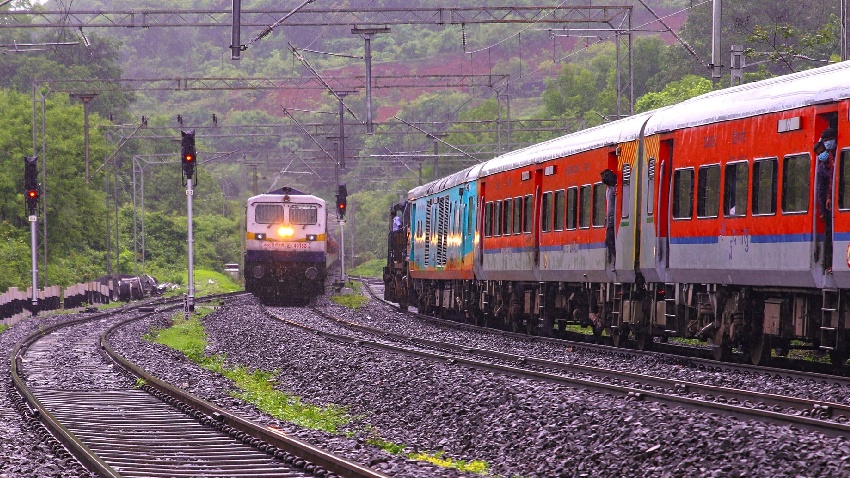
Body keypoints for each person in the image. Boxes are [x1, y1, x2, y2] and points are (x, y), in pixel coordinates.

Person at [815, 127, 837, 271]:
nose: (828, 143)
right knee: (828, 233)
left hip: (836, 203)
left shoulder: (836, 158)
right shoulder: (823, 166)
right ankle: (829, 263)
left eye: (829, 140)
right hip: (830, 207)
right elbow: (821, 190)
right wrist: (822, 211)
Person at [601, 168, 617, 267]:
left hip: (613, 219)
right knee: (609, 240)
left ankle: (616, 258)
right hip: (610, 219)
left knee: (610, 240)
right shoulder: (608, 189)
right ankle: (615, 258)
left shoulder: (614, 189)